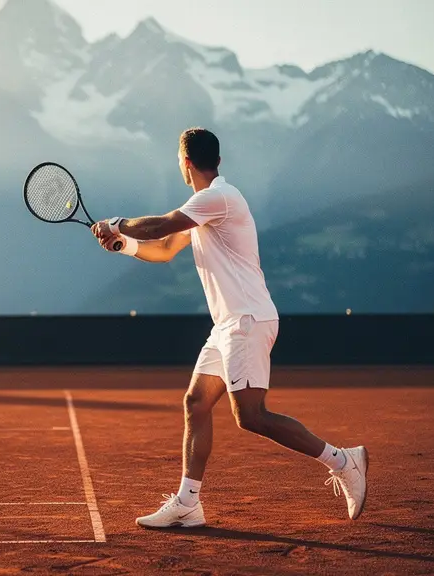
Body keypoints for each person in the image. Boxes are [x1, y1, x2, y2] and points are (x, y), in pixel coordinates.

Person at [91, 127, 368, 529]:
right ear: (215, 159)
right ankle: (188, 503)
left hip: (248, 321)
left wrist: (117, 223)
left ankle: (344, 461)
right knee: (196, 403)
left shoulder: (218, 197)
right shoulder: (203, 204)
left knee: (252, 416)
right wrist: (124, 244)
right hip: (227, 325)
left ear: (186, 163)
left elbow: (161, 227)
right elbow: (165, 249)